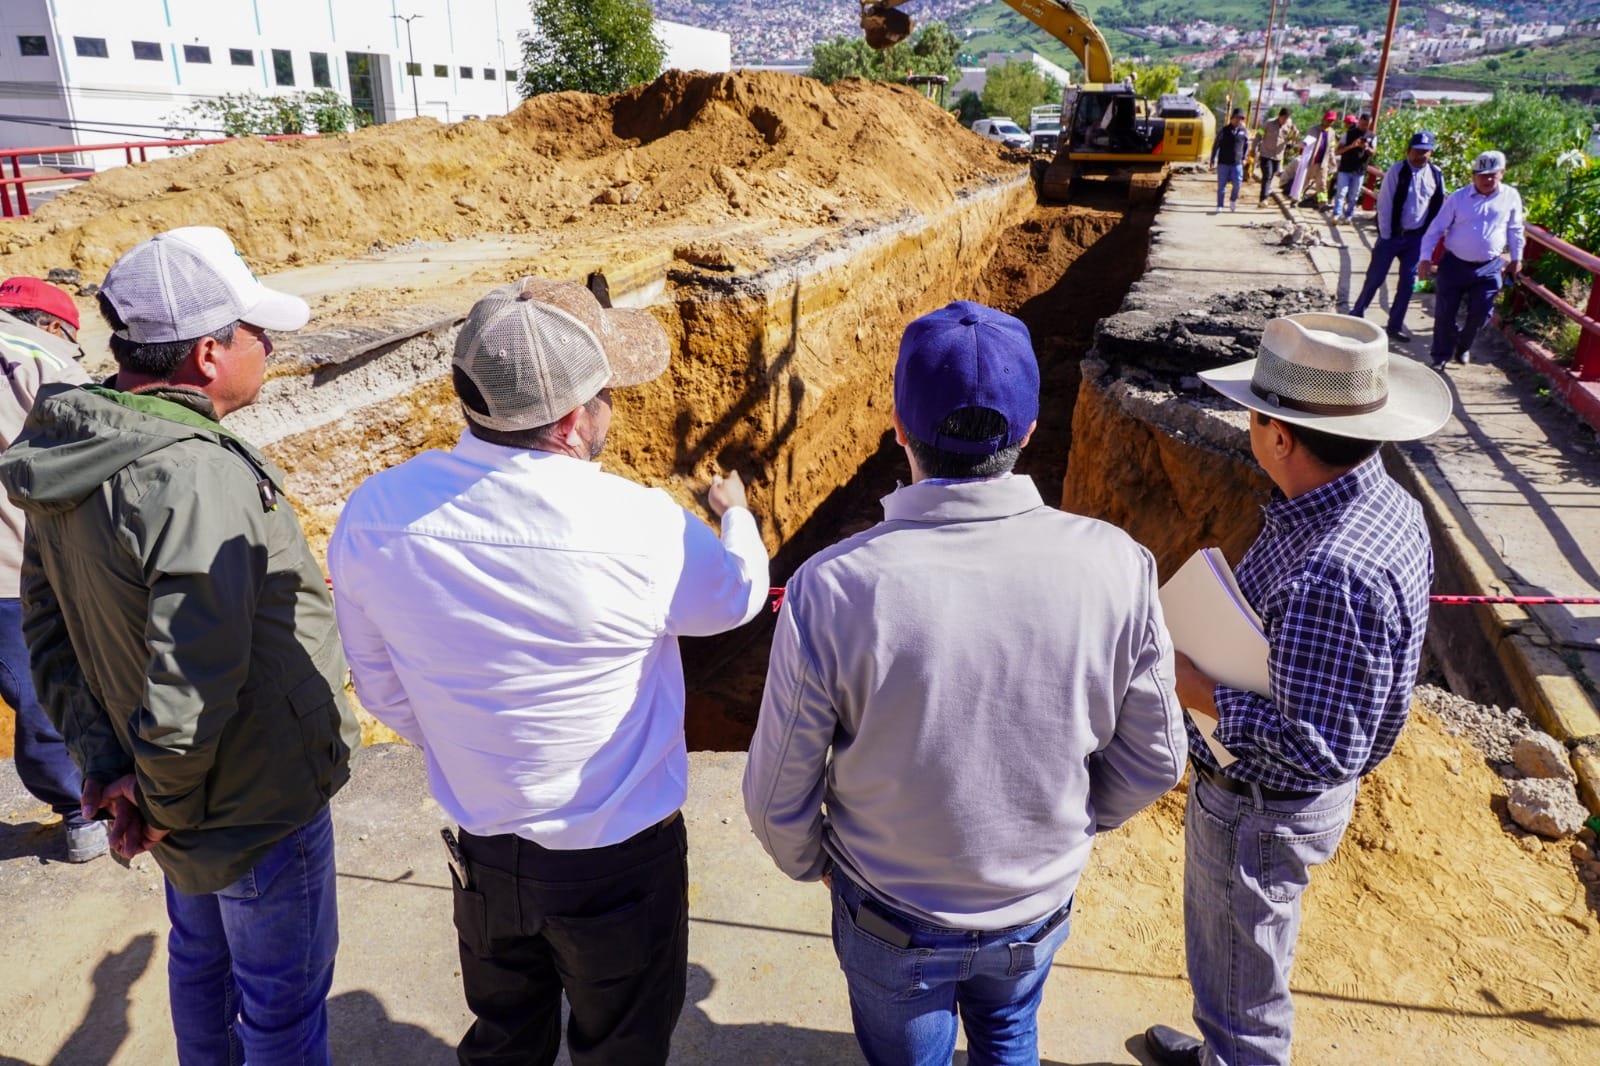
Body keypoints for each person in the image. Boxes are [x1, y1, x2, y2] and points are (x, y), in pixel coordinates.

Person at [328, 276, 770, 1066]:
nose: (611, 409)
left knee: (506, 1042)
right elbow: (735, 599)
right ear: (572, 422)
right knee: (622, 1048)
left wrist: (478, 751)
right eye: (604, 395)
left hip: (488, 855)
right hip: (621, 864)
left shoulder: (374, 512)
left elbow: (384, 687)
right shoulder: (639, 527)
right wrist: (736, 515)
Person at [744, 300, 1186, 1066]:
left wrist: (810, 860)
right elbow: (1156, 758)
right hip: (1035, 910)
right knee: (1010, 1036)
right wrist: (1064, 830)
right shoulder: (1119, 565)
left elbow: (777, 788)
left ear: (898, 427)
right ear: (1028, 433)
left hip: (889, 916)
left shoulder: (833, 587)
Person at [0, 226, 359, 1065]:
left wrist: (107, 770)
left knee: (201, 960)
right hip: (250, 801)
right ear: (207, 354)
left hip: (158, 785)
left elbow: (48, 631)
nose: (268, 345)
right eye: (255, 331)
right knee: (282, 1009)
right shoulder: (195, 474)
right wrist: (154, 803)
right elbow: (193, 679)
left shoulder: (73, 449)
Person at [1140, 313, 1449, 1066]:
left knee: (1245, 986)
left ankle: (1237, 1056)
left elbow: (1319, 744)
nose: (1251, 424)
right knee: (1234, 960)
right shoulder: (1381, 508)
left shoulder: (1331, 571)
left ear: (1280, 437)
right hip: (1269, 807)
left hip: (1263, 812)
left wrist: (1195, 685)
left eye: (1257, 412)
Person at [0, 277, 102, 863]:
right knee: (48, 687)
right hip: (20, 566)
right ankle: (80, 810)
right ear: (53, 325)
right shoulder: (46, 359)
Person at [1420, 149, 1524, 370]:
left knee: (1482, 313)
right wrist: (1425, 258)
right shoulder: (1459, 198)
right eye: (1481, 175)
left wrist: (1517, 258)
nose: (1486, 180)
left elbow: (1515, 229)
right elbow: (1436, 228)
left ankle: (1463, 344)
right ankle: (1440, 357)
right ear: (1473, 175)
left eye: (1492, 175)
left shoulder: (1510, 197)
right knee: (1445, 314)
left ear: (1502, 173)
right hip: (1455, 264)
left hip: (1490, 266)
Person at [1348, 131, 1446, 343]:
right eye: (1418, 151)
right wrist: (1387, 234)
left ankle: (1394, 325)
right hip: (1392, 235)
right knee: (1375, 277)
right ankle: (1357, 315)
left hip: (1416, 238)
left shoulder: (1435, 174)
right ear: (1409, 150)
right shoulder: (1397, 170)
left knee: (1407, 283)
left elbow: (1438, 206)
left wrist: (1428, 237)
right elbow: (1384, 203)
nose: (1421, 155)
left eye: (1426, 151)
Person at [1331, 112, 1375, 223]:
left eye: (1366, 124)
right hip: (1346, 168)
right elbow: (1337, 151)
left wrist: (1366, 147)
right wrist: (1352, 146)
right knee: (1341, 192)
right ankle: (1336, 215)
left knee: (1354, 195)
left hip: (1360, 170)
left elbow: (1373, 152)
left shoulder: (1372, 136)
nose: (1364, 126)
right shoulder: (1349, 134)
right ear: (1359, 121)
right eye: (1362, 123)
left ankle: (1348, 215)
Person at [1253, 107, 1297, 207]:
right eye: (1284, 117)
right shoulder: (1269, 123)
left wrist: (1294, 132)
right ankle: (1263, 199)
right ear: (1279, 116)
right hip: (1266, 154)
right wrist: (1254, 147)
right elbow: (1259, 134)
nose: (1285, 120)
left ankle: (1267, 190)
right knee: (1267, 175)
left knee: (1272, 175)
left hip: (1278, 156)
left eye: (1287, 118)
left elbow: (1290, 139)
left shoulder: (1289, 125)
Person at [1296, 111, 1339, 209]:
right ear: (1323, 119)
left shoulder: (1332, 133)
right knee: (1304, 181)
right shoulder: (1313, 130)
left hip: (1322, 163)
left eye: (1331, 121)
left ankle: (1322, 204)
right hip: (1311, 162)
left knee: (1322, 184)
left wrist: (1333, 163)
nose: (1329, 122)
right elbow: (1306, 144)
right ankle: (1296, 199)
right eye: (1328, 120)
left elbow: (1331, 149)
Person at [1211, 108, 1250, 214]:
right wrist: (1213, 159)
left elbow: (1247, 145)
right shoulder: (1224, 130)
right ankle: (1219, 205)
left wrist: (1244, 158)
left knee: (1237, 183)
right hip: (1223, 162)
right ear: (1232, 118)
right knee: (1221, 185)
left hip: (1237, 163)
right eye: (1236, 118)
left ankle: (1233, 200)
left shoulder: (1244, 131)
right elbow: (1216, 145)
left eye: (1240, 119)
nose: (1238, 120)